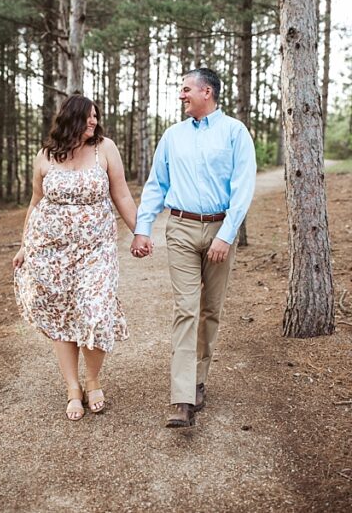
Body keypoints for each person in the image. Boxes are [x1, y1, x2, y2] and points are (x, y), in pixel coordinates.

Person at [130, 68, 256, 428]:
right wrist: (143, 228)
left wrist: (226, 234)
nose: (181, 95)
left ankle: (199, 380)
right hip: (182, 228)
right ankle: (183, 398)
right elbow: (156, 185)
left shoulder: (234, 132)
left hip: (219, 228)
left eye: (186, 89)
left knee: (210, 310)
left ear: (207, 91)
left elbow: (243, 187)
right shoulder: (172, 136)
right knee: (186, 308)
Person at [13, 95, 138, 421]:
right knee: (61, 317)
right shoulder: (45, 156)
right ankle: (72, 388)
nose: (94, 122)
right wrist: (25, 245)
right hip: (50, 251)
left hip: (96, 249)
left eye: (96, 116)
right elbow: (35, 202)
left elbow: (121, 193)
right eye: (88, 117)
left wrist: (141, 232)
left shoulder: (104, 149)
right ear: (70, 119)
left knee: (95, 311)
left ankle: (93, 379)